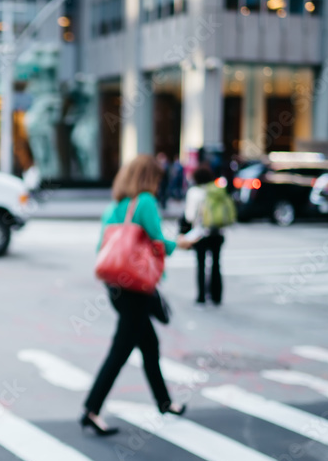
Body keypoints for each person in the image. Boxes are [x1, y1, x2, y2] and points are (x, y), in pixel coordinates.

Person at [82, 155, 194, 436]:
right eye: (156, 178)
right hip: (135, 287)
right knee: (121, 350)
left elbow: (103, 247)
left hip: (116, 285)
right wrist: (180, 243)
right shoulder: (144, 202)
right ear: (148, 178)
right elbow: (158, 241)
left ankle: (164, 402)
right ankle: (91, 410)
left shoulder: (115, 206)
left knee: (149, 345)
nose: (158, 184)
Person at [184, 165, 229, 306]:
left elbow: (189, 216)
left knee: (201, 264)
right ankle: (216, 296)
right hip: (217, 232)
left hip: (201, 234)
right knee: (216, 264)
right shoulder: (216, 191)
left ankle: (201, 296)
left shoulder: (194, 192)